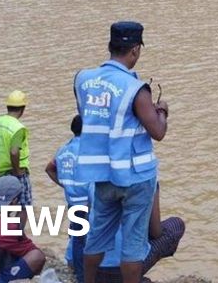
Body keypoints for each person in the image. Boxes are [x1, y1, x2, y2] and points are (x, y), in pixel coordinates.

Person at [75, 21, 169, 283]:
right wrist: (161, 111)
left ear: (110, 46)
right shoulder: (136, 89)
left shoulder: (83, 79)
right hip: (136, 176)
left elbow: (91, 117)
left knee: (96, 237)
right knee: (134, 244)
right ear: (135, 50)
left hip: (103, 173)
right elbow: (158, 132)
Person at [46, 115, 89, 282]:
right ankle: (86, 275)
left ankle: (78, 273)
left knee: (78, 238)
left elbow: (49, 168)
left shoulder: (63, 150)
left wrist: (64, 184)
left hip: (73, 200)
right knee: (91, 239)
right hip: (89, 201)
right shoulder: (88, 150)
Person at [0, 91, 31, 206]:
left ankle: (4, 224)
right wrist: (17, 172)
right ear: (23, 109)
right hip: (15, 172)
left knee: (2, 205)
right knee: (24, 205)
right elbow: (14, 152)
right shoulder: (17, 127)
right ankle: (17, 225)